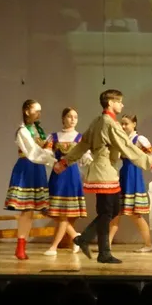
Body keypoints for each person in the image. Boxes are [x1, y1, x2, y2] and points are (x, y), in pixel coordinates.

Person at [53, 89, 152, 264]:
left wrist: (65, 162)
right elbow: (127, 148)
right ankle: (102, 251)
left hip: (106, 171)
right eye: (119, 101)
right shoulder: (110, 124)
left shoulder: (98, 121)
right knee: (108, 212)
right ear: (110, 103)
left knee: (112, 210)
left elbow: (83, 144)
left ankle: (86, 240)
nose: (122, 104)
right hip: (104, 172)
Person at [5, 99, 57, 260]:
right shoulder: (22, 131)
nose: (39, 114)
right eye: (36, 110)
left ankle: (22, 246)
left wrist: (51, 151)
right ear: (27, 111)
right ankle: (20, 247)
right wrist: (53, 162)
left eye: (40, 111)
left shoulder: (38, 130)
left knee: (34, 211)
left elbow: (43, 151)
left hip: (38, 169)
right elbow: (33, 152)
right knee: (27, 210)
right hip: (27, 169)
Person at [44, 107, 91, 256]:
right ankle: (76, 238)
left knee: (64, 214)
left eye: (75, 117)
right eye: (70, 116)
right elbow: (46, 155)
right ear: (63, 118)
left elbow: (86, 157)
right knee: (58, 213)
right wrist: (54, 163)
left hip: (72, 176)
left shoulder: (80, 138)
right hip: (58, 175)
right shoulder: (53, 137)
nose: (73, 119)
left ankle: (54, 247)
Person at [108, 114, 152, 253]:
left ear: (134, 124)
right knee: (116, 213)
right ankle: (107, 244)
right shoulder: (122, 139)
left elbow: (151, 158)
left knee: (136, 214)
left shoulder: (139, 139)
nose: (123, 126)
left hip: (134, 176)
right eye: (122, 124)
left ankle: (149, 244)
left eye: (126, 124)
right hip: (124, 175)